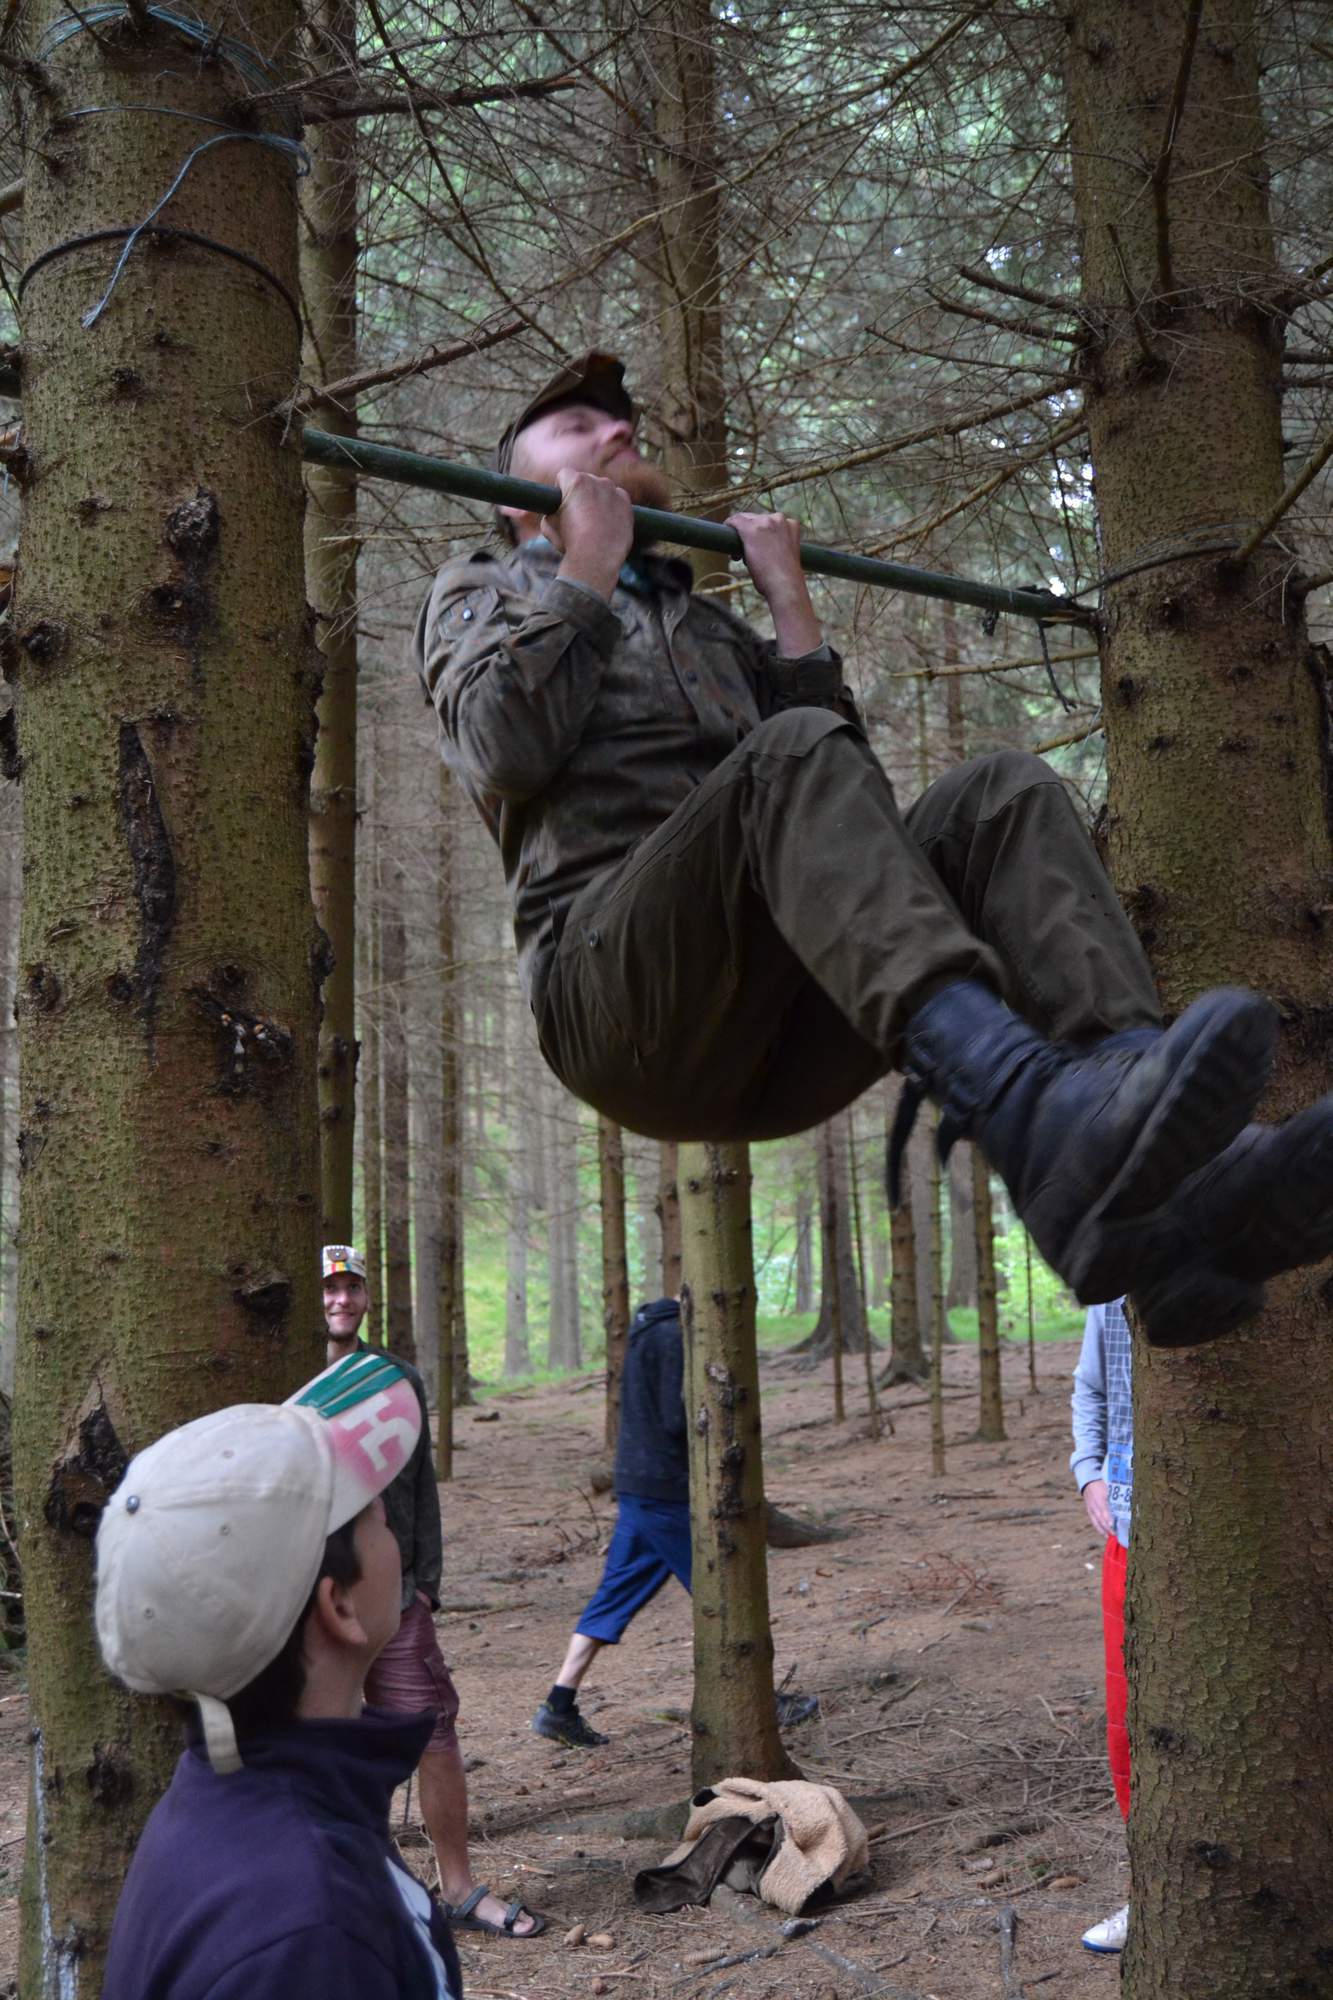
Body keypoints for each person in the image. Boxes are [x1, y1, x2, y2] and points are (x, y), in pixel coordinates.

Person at [413, 351, 1333, 1347]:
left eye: (619, 420)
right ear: (511, 498)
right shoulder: (484, 586)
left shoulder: (705, 627)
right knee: (790, 751)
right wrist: (586, 566)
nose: (617, 430)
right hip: (619, 1009)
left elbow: (846, 821)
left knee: (999, 796)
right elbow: (503, 749)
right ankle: (1027, 1104)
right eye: (575, 427)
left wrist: (789, 607)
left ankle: (1164, 1201)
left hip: (786, 1029)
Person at [96, 1347, 464, 1998]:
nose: (389, 1523)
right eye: (374, 1515)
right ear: (338, 1605)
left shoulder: (223, 1804)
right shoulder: (314, 1933)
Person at [323, 1244, 545, 1939]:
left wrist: (426, 1587)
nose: (340, 1300)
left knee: (431, 1730)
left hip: (393, 1592)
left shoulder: (394, 1381)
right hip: (306, 1599)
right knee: (323, 1740)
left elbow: (420, 1486)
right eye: (328, 1289)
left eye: (351, 1287)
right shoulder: (281, 1379)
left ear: (366, 1296)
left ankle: (458, 1889)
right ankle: (345, 1895)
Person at [532, 1295, 816, 1749]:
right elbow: (672, 1417)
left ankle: (558, 1706)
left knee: (613, 1597)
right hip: (663, 1490)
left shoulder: (644, 1332)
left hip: (638, 1486)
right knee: (721, 1587)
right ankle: (761, 1701)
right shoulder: (671, 1337)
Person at [1071, 1296, 1134, 1955]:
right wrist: (1088, 1471)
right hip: (1129, 1535)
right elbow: (1091, 1386)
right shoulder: (1111, 1281)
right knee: (1130, 1725)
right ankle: (1152, 1889)